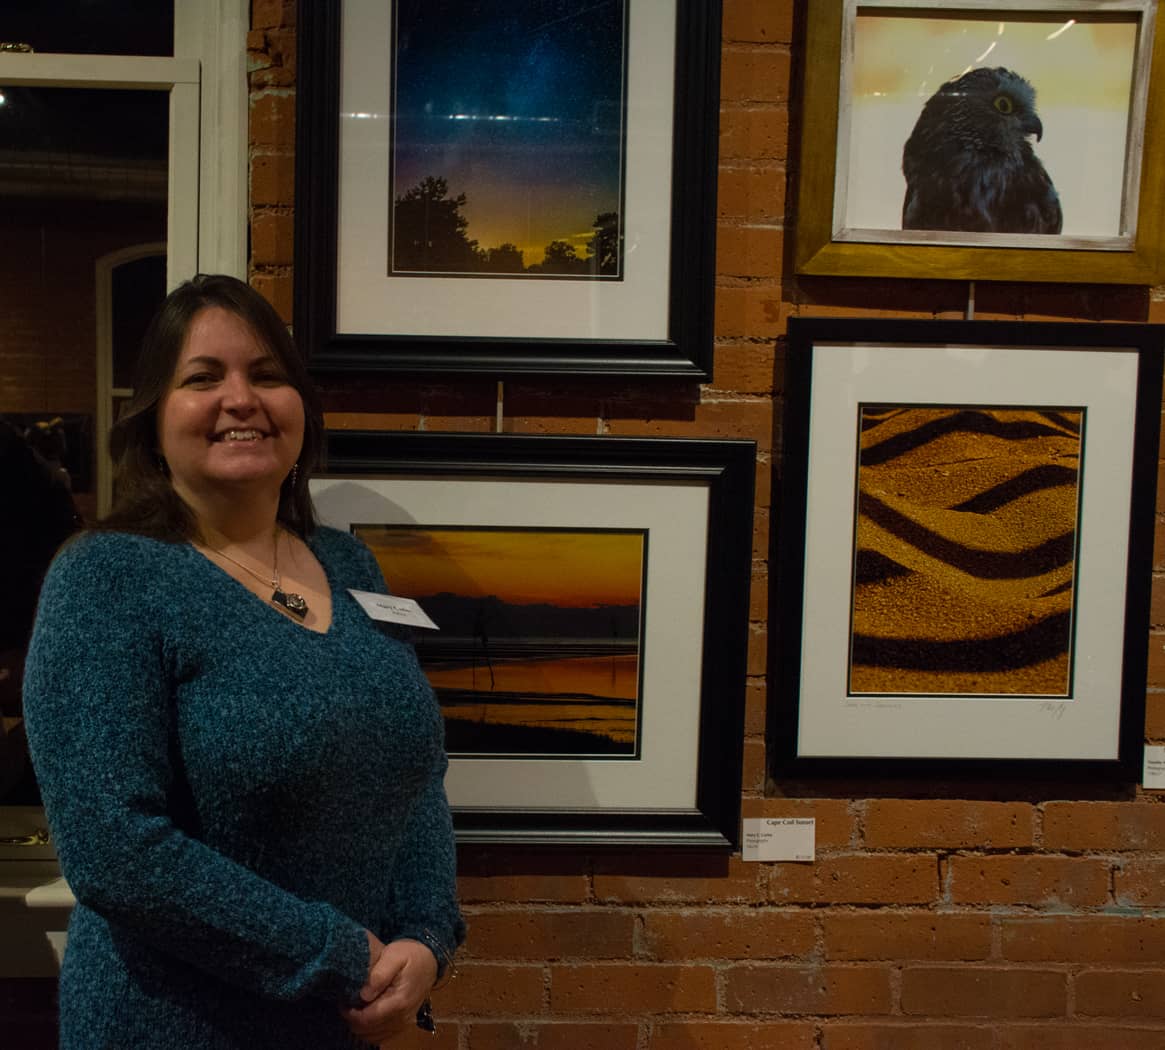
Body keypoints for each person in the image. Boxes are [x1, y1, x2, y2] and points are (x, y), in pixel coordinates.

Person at [23, 274, 464, 1049]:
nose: (241, 399)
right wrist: (330, 952)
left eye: (267, 375)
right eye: (203, 378)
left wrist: (427, 937)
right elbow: (112, 848)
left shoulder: (350, 563)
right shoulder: (106, 577)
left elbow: (412, 768)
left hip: (336, 1022)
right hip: (169, 1023)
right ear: (154, 419)